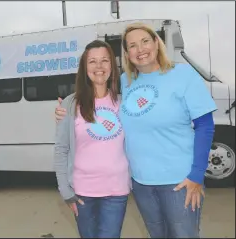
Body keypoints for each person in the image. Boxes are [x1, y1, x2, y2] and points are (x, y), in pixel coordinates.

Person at [54, 22, 216, 238]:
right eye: (132, 46)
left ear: (157, 43)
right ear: (127, 54)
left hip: (178, 180)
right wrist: (62, 110)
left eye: (145, 41)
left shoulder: (183, 74)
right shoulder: (127, 83)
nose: (140, 50)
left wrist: (196, 175)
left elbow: (205, 126)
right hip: (141, 184)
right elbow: (66, 142)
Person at [54, 39, 131, 238]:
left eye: (105, 61)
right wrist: (66, 191)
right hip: (82, 193)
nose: (99, 67)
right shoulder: (70, 104)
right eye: (92, 61)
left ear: (112, 67)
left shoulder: (124, 102)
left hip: (117, 191)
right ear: (84, 68)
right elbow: (61, 149)